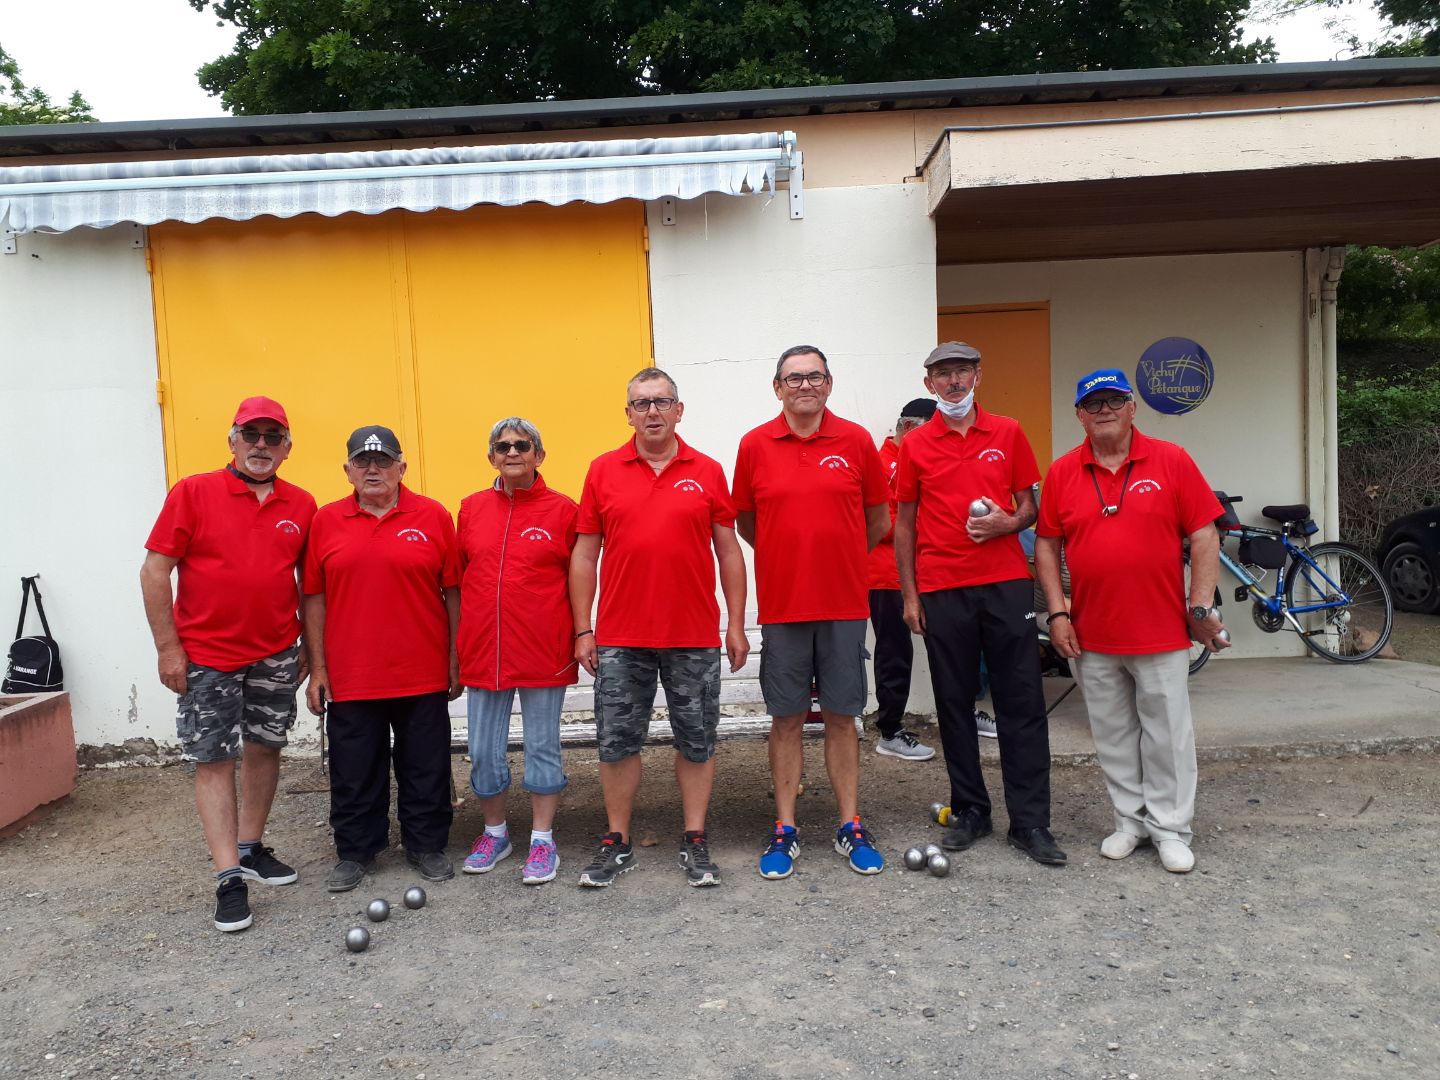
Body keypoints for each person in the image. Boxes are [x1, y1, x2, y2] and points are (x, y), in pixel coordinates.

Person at [1035, 368, 1228, 874]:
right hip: (1092, 632)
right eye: (1093, 402)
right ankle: (1130, 822)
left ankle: (1170, 828)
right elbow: (1047, 545)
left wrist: (1201, 606)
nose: (1104, 409)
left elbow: (1206, 535)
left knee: (1166, 734)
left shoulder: (1171, 460)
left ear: (1132, 407)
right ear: (1079, 414)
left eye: (1113, 400)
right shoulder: (1061, 472)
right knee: (1113, 733)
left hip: (1161, 628)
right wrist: (1058, 612)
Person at [140, 395, 316, 933]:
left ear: (287, 447)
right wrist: (169, 649)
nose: (261, 445)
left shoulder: (302, 504)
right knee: (213, 759)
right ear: (232, 439)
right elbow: (154, 573)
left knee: (265, 748)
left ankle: (251, 846)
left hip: (276, 651)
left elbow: (310, 586)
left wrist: (309, 644)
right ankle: (228, 878)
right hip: (208, 658)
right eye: (252, 434)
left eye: (273, 436)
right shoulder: (193, 492)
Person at [569, 367, 749, 888]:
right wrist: (584, 630)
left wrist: (735, 624)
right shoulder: (602, 471)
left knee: (697, 739)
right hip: (622, 637)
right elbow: (584, 555)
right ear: (627, 414)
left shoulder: (708, 470)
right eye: (641, 403)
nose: (652, 411)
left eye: (662, 402)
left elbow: (729, 551)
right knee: (617, 741)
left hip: (692, 635)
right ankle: (617, 840)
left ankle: (694, 838)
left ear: (679, 410)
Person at [894, 341, 1066, 867]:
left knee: (1021, 703)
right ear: (929, 385)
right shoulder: (915, 445)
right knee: (954, 702)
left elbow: (1031, 507)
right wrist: (910, 595)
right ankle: (971, 809)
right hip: (943, 587)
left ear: (977, 376)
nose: (953, 383)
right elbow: (904, 525)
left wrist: (1007, 523)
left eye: (961, 372)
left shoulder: (1008, 432)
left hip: (1004, 583)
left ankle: (1030, 822)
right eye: (942, 375)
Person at [733, 345, 892, 879]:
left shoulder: (855, 441)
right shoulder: (754, 445)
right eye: (793, 378)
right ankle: (785, 828)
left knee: (844, 716)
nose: (805, 385)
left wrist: (837, 558)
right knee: (787, 718)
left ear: (829, 383)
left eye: (814, 376)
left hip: (845, 604)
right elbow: (747, 523)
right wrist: (790, 556)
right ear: (777, 387)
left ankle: (849, 823)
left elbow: (875, 519)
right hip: (783, 606)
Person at [303, 425, 462, 892]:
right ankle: (356, 851)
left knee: (426, 765)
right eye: (363, 461)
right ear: (348, 470)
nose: (373, 469)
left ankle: (426, 845)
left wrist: (456, 655)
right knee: (354, 769)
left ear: (401, 468)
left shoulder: (433, 516)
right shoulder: (326, 521)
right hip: (352, 675)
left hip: (422, 670)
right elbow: (313, 597)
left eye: (383, 461)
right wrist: (318, 669)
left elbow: (453, 590)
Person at [456, 418, 578, 886]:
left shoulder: (564, 511)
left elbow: (579, 577)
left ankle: (543, 840)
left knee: (542, 747)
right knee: (484, 751)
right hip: (485, 651)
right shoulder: (469, 509)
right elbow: (460, 579)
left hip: (544, 649)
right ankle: (495, 833)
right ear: (491, 457)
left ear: (538, 455)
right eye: (502, 446)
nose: (512, 452)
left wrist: (582, 633)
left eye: (521, 446)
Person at [867, 397, 939, 760]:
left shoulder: (920, 461)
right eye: (932, 430)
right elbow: (879, 525)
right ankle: (890, 731)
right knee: (896, 654)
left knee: (954, 644)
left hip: (928, 570)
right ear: (909, 428)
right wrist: (927, 526)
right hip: (886, 575)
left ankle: (963, 712)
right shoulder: (880, 466)